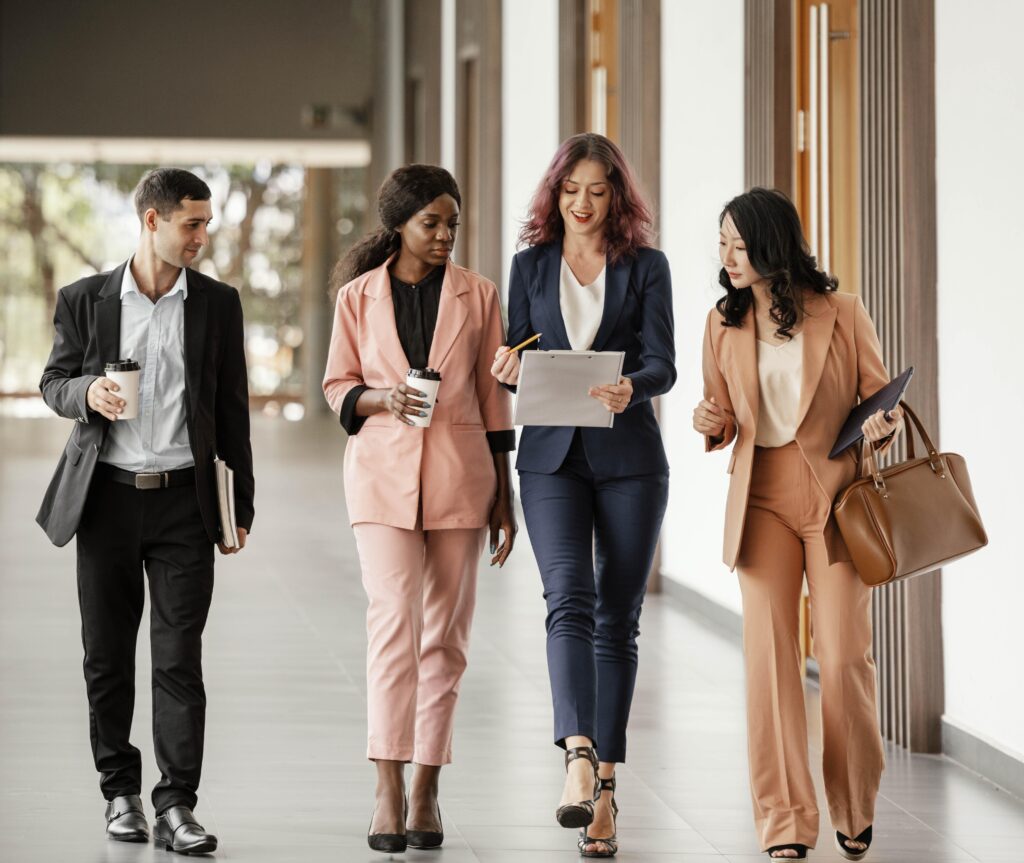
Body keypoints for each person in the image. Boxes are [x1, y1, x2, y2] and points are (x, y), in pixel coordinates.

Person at [36, 168, 254, 854]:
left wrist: (237, 506)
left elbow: (232, 410)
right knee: (105, 656)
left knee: (177, 657)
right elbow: (53, 381)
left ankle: (177, 803)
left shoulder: (216, 303)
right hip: (105, 498)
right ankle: (120, 792)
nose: (202, 236)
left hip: (185, 503)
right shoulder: (87, 299)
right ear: (151, 221)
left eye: (206, 223)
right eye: (192, 223)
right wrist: (88, 393)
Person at [692, 187, 903, 862]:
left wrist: (882, 428)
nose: (727, 256)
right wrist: (710, 421)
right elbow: (721, 412)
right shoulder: (721, 322)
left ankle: (852, 803)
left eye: (739, 243)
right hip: (761, 498)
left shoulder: (841, 312)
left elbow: (879, 399)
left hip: (836, 496)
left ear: (773, 243)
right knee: (771, 663)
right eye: (721, 242)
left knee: (842, 658)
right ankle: (785, 818)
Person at [323, 164, 516, 854]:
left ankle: (427, 785)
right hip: (380, 478)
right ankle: (386, 784)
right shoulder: (356, 297)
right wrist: (380, 398)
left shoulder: (480, 295)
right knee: (392, 626)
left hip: (463, 479)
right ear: (398, 224)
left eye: (452, 224)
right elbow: (336, 383)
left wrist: (505, 490)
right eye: (431, 223)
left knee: (447, 638)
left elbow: (496, 401)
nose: (443, 236)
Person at [491, 133, 675, 858]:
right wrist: (509, 367)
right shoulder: (529, 264)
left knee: (617, 619)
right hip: (550, 459)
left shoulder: (646, 268)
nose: (583, 203)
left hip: (630, 457)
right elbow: (517, 349)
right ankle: (575, 752)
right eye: (572, 189)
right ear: (555, 192)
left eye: (598, 190)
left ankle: (605, 783)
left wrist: (636, 384)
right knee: (567, 598)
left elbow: (662, 361)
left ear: (617, 196)